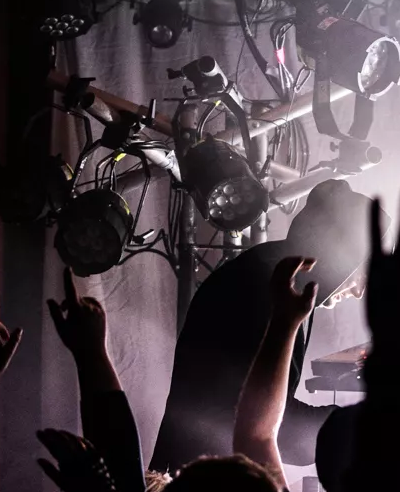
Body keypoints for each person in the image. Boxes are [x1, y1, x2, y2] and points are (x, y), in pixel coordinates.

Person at [150, 179, 376, 473]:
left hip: (202, 478)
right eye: (361, 273)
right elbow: (278, 428)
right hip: (204, 485)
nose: (359, 291)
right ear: (338, 252)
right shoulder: (265, 289)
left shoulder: (276, 277)